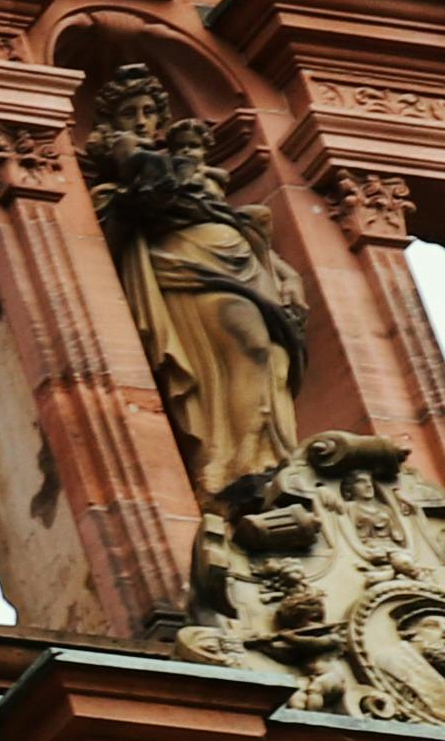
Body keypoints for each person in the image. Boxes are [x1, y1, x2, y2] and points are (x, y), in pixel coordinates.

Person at [80, 65, 308, 497]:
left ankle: (273, 459)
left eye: (149, 111)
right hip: (186, 268)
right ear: (112, 124)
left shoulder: (193, 172)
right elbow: (124, 220)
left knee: (273, 360)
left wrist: (284, 271)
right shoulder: (125, 187)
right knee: (249, 345)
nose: (142, 120)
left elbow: (239, 223)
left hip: (239, 263)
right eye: (130, 112)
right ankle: (233, 465)